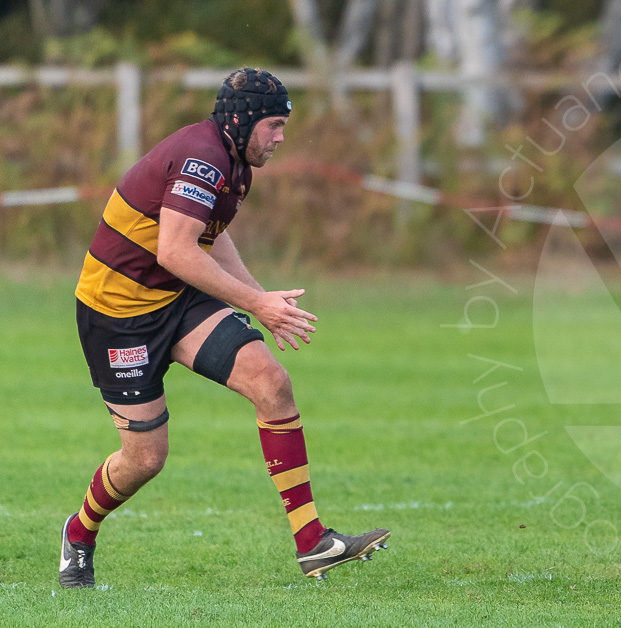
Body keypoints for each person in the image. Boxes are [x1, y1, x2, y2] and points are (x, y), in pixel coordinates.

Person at [61, 68, 388, 589]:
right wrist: (257, 300)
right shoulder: (202, 158)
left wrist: (259, 302)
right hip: (117, 317)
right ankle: (79, 532)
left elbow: (209, 238)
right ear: (243, 121)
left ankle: (313, 544)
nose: (281, 138)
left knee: (272, 382)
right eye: (274, 126)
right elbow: (175, 249)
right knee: (145, 459)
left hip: (176, 299)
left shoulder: (236, 164)